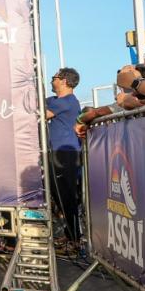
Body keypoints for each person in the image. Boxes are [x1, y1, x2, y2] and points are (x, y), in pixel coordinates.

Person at [44, 67, 82, 246]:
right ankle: (70, 234)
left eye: (54, 77)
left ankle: (74, 238)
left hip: (64, 154)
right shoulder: (55, 100)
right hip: (57, 153)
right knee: (57, 193)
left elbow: (43, 113)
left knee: (66, 195)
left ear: (64, 81)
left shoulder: (67, 101)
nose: (52, 80)